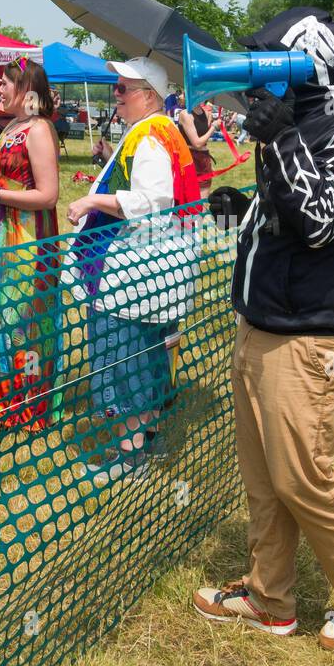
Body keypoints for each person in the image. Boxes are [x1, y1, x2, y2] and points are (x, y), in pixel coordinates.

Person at [192, 7, 334, 653]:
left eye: (265, 60)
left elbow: (320, 219)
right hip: (263, 327)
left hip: (316, 342)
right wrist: (247, 209)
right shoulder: (297, 124)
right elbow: (287, 207)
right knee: (264, 481)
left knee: (300, 476)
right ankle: (268, 595)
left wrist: (279, 141)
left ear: (305, 59)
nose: (255, 76)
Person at [65, 56, 201, 482]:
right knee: (150, 358)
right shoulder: (160, 131)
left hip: (130, 277)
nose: (116, 97)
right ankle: (151, 440)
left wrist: (92, 201)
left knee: (122, 361)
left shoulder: (149, 136)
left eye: (123, 89)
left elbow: (151, 201)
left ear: (147, 95)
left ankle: (129, 459)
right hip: (153, 274)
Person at [0, 59, 60, 431]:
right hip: (0, 233)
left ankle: (29, 403)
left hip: (29, 240)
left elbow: (49, 195)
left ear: (25, 89)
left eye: (5, 83)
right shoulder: (12, 127)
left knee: (24, 320)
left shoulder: (38, 130)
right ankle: (5, 398)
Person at [177, 99, 218, 198]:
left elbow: (204, 139)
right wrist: (213, 128)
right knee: (190, 199)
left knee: (203, 198)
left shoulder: (207, 114)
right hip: (190, 158)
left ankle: (200, 213)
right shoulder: (186, 114)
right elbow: (197, 143)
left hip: (203, 158)